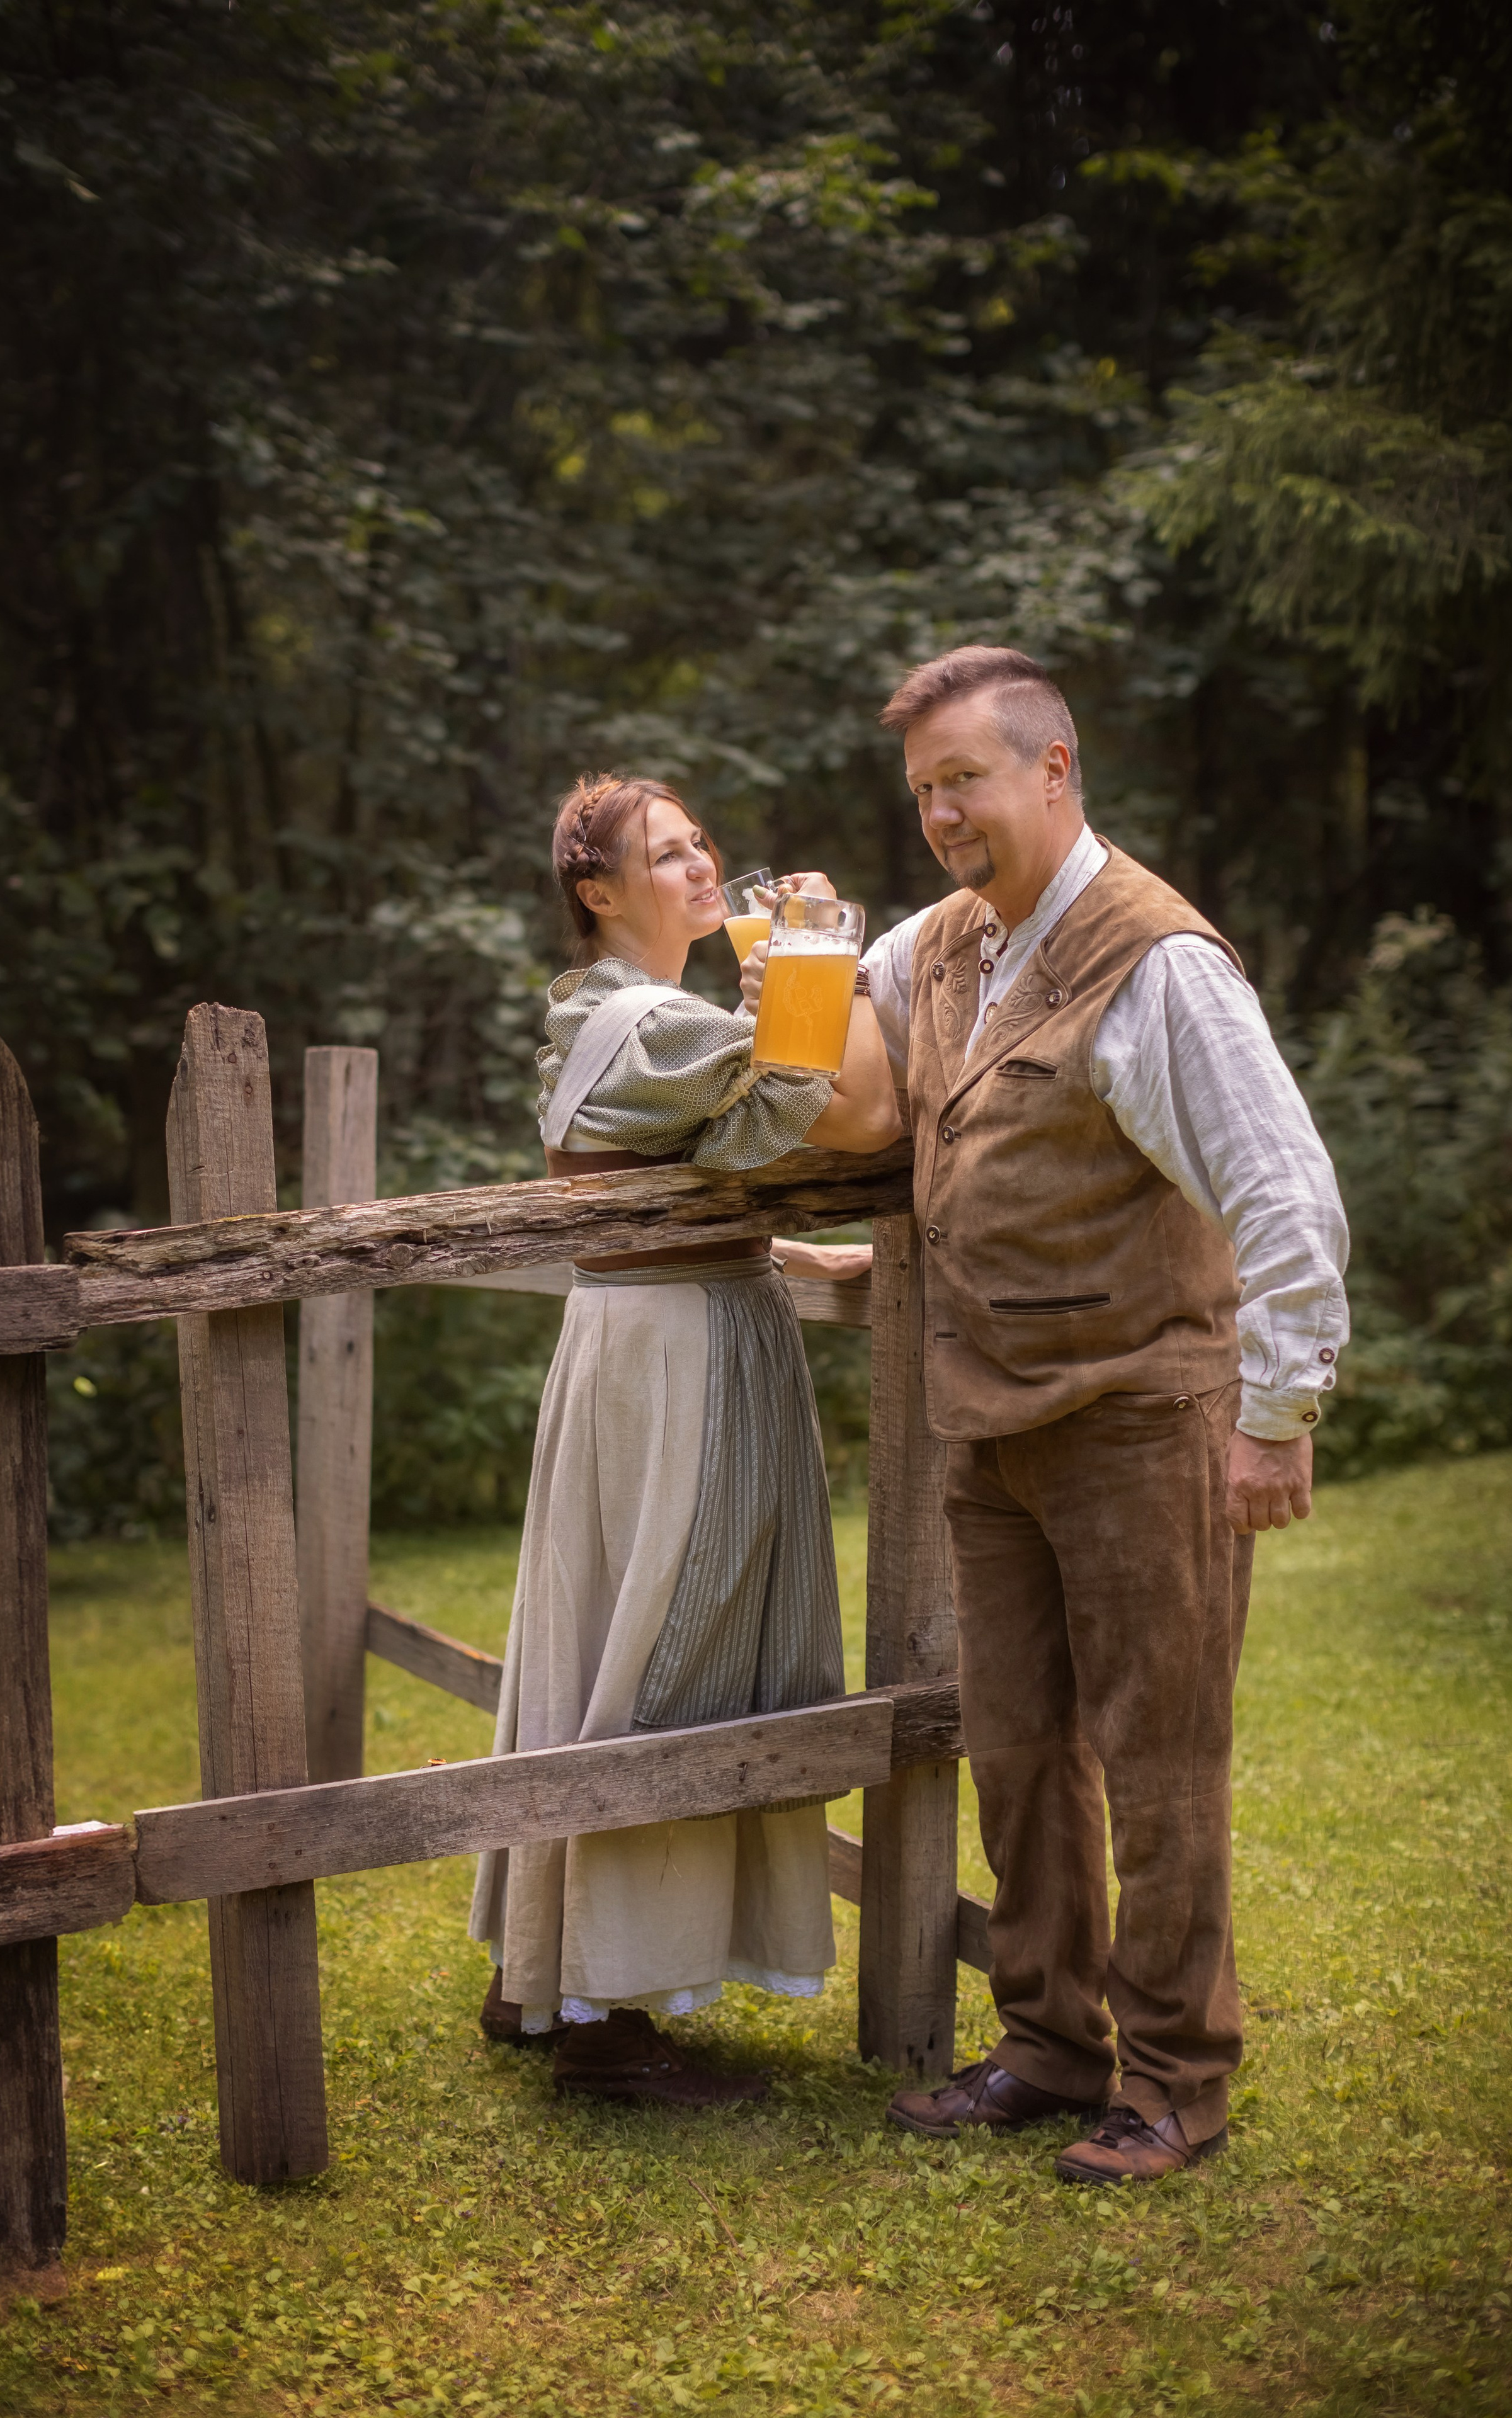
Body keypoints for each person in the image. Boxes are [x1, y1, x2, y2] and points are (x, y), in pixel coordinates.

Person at [744, 646, 1350, 2181]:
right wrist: (786, 963)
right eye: (923, 791)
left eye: (965, 778)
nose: (942, 813)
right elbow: (853, 1051)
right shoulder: (945, 944)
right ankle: (1047, 2048)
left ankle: (1175, 2084)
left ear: (1053, 769)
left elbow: (1282, 1194)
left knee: (1158, 1763)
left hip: (1144, 1413)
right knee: (1017, 1755)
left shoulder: (1157, 961)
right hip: (990, 1423)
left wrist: (1275, 1412)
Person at [469, 771, 899, 2106]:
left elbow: (675, 1183)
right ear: (596, 891)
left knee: (616, 1624)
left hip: (644, 1336)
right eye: (665, 854)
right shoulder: (656, 1024)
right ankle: (605, 2012)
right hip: (679, 1360)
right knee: (676, 1639)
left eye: (700, 841)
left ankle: (546, 1971)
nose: (702, 864)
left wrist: (790, 1253)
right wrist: (823, 948)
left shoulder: (620, 1014)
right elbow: (864, 1115)